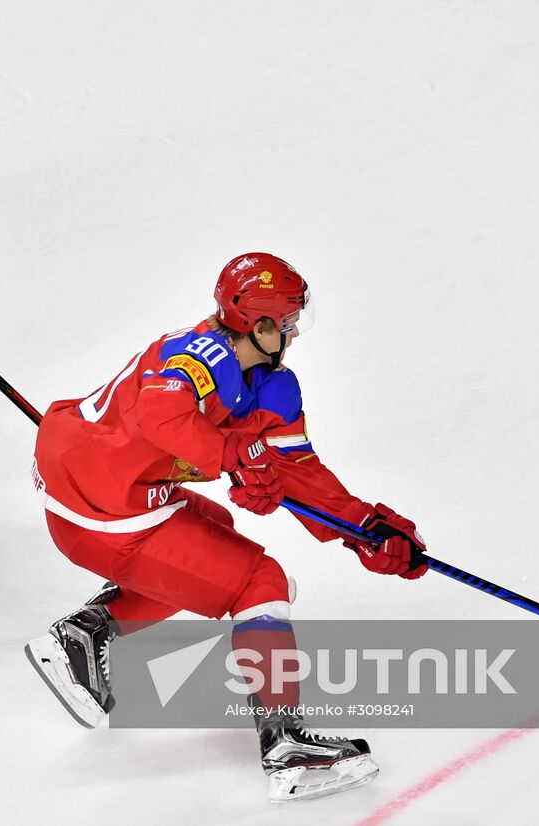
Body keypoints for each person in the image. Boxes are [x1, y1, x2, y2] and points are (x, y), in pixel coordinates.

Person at [24, 252, 430, 803]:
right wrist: (233, 454)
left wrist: (365, 527)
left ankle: (88, 635)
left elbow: (298, 472)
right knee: (259, 583)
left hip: (97, 494)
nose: (291, 334)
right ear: (259, 325)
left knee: (212, 526)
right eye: (285, 323)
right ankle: (287, 748)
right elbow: (160, 416)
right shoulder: (201, 357)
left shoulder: (267, 383)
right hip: (105, 512)